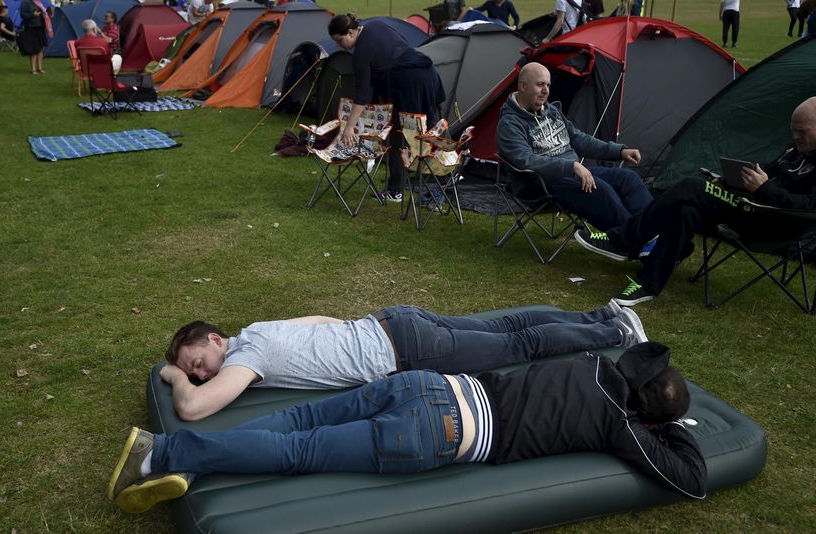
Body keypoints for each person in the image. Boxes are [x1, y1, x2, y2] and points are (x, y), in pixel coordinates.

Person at [107, 342, 707, 514]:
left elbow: (644, 355)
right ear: (647, 416)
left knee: (298, 419)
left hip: (424, 384)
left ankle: (171, 453)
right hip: (442, 432)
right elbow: (691, 476)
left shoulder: (596, 363)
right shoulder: (620, 424)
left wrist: (647, 387)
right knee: (298, 450)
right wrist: (668, 428)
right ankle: (161, 455)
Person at [158, 302, 648, 421]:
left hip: (407, 348)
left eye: (197, 361)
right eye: (194, 370)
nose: (200, 373)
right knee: (505, 329)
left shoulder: (248, 355)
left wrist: (175, 376)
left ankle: (614, 329)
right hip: (394, 323)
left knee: (516, 347)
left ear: (216, 341)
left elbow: (194, 409)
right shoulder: (257, 331)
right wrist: (356, 336)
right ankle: (599, 314)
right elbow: (317, 320)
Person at [574, 97, 816, 306]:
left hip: (774, 226)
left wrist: (765, 189)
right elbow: (771, 174)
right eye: (793, 129)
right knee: (685, 211)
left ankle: (624, 240)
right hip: (753, 208)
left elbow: (807, 207)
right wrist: (739, 181)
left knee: (692, 186)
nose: (795, 136)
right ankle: (648, 284)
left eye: (802, 130)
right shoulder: (796, 149)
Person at [497, 62, 653, 234]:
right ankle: (635, 239)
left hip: (571, 173)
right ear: (523, 86)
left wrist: (619, 151)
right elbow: (527, 161)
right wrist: (571, 166)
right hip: (538, 182)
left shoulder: (552, 112)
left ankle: (656, 231)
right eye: (540, 84)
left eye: (548, 85)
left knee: (628, 178)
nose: (546, 90)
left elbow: (578, 139)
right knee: (600, 190)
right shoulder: (509, 124)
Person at [328, 14, 446, 203]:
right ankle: (446, 179)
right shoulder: (376, 25)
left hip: (409, 83)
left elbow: (362, 96)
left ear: (350, 32)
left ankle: (395, 191)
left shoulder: (360, 54)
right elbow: (402, 45)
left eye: (340, 40)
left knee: (399, 137)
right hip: (429, 72)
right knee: (433, 131)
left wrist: (350, 126)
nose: (338, 45)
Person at [19, 0, 52, 74]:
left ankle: (39, 68)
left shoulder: (39, 2)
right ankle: (33, 69)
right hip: (31, 27)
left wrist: (47, 14)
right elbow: (23, 15)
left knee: (40, 48)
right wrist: (33, 14)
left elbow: (43, 14)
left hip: (41, 27)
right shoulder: (25, 3)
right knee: (33, 48)